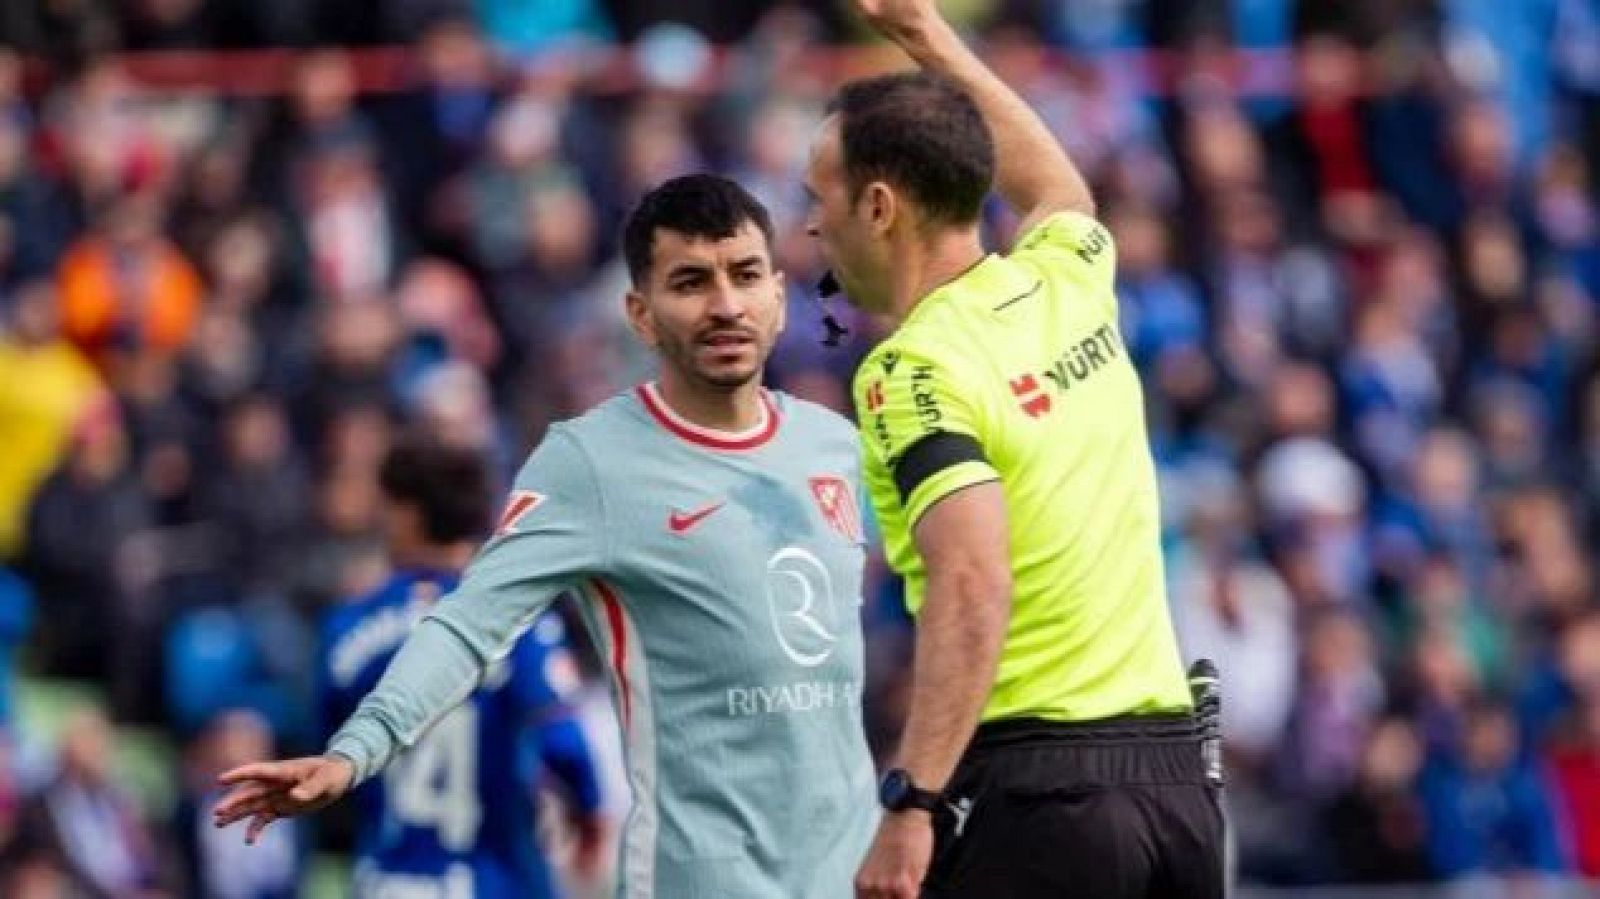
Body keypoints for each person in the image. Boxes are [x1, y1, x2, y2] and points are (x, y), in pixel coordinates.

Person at [214, 174, 879, 898]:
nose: (725, 305)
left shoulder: (833, 445)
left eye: (745, 275)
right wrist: (353, 752)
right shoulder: (591, 463)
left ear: (779, 296)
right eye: (690, 282)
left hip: (849, 874)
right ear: (641, 314)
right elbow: (469, 623)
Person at [803, 1, 1224, 897]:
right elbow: (1057, 187)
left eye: (819, 198)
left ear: (878, 207)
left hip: (1041, 799)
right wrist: (924, 35)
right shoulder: (1066, 275)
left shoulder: (911, 370)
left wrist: (911, 800)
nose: (810, 229)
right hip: (1177, 792)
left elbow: (970, 581)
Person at [317, 435, 606, 898]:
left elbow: (326, 767)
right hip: (492, 880)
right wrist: (590, 816)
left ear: (407, 513)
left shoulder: (346, 629)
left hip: (385, 881)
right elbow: (564, 743)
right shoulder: (518, 622)